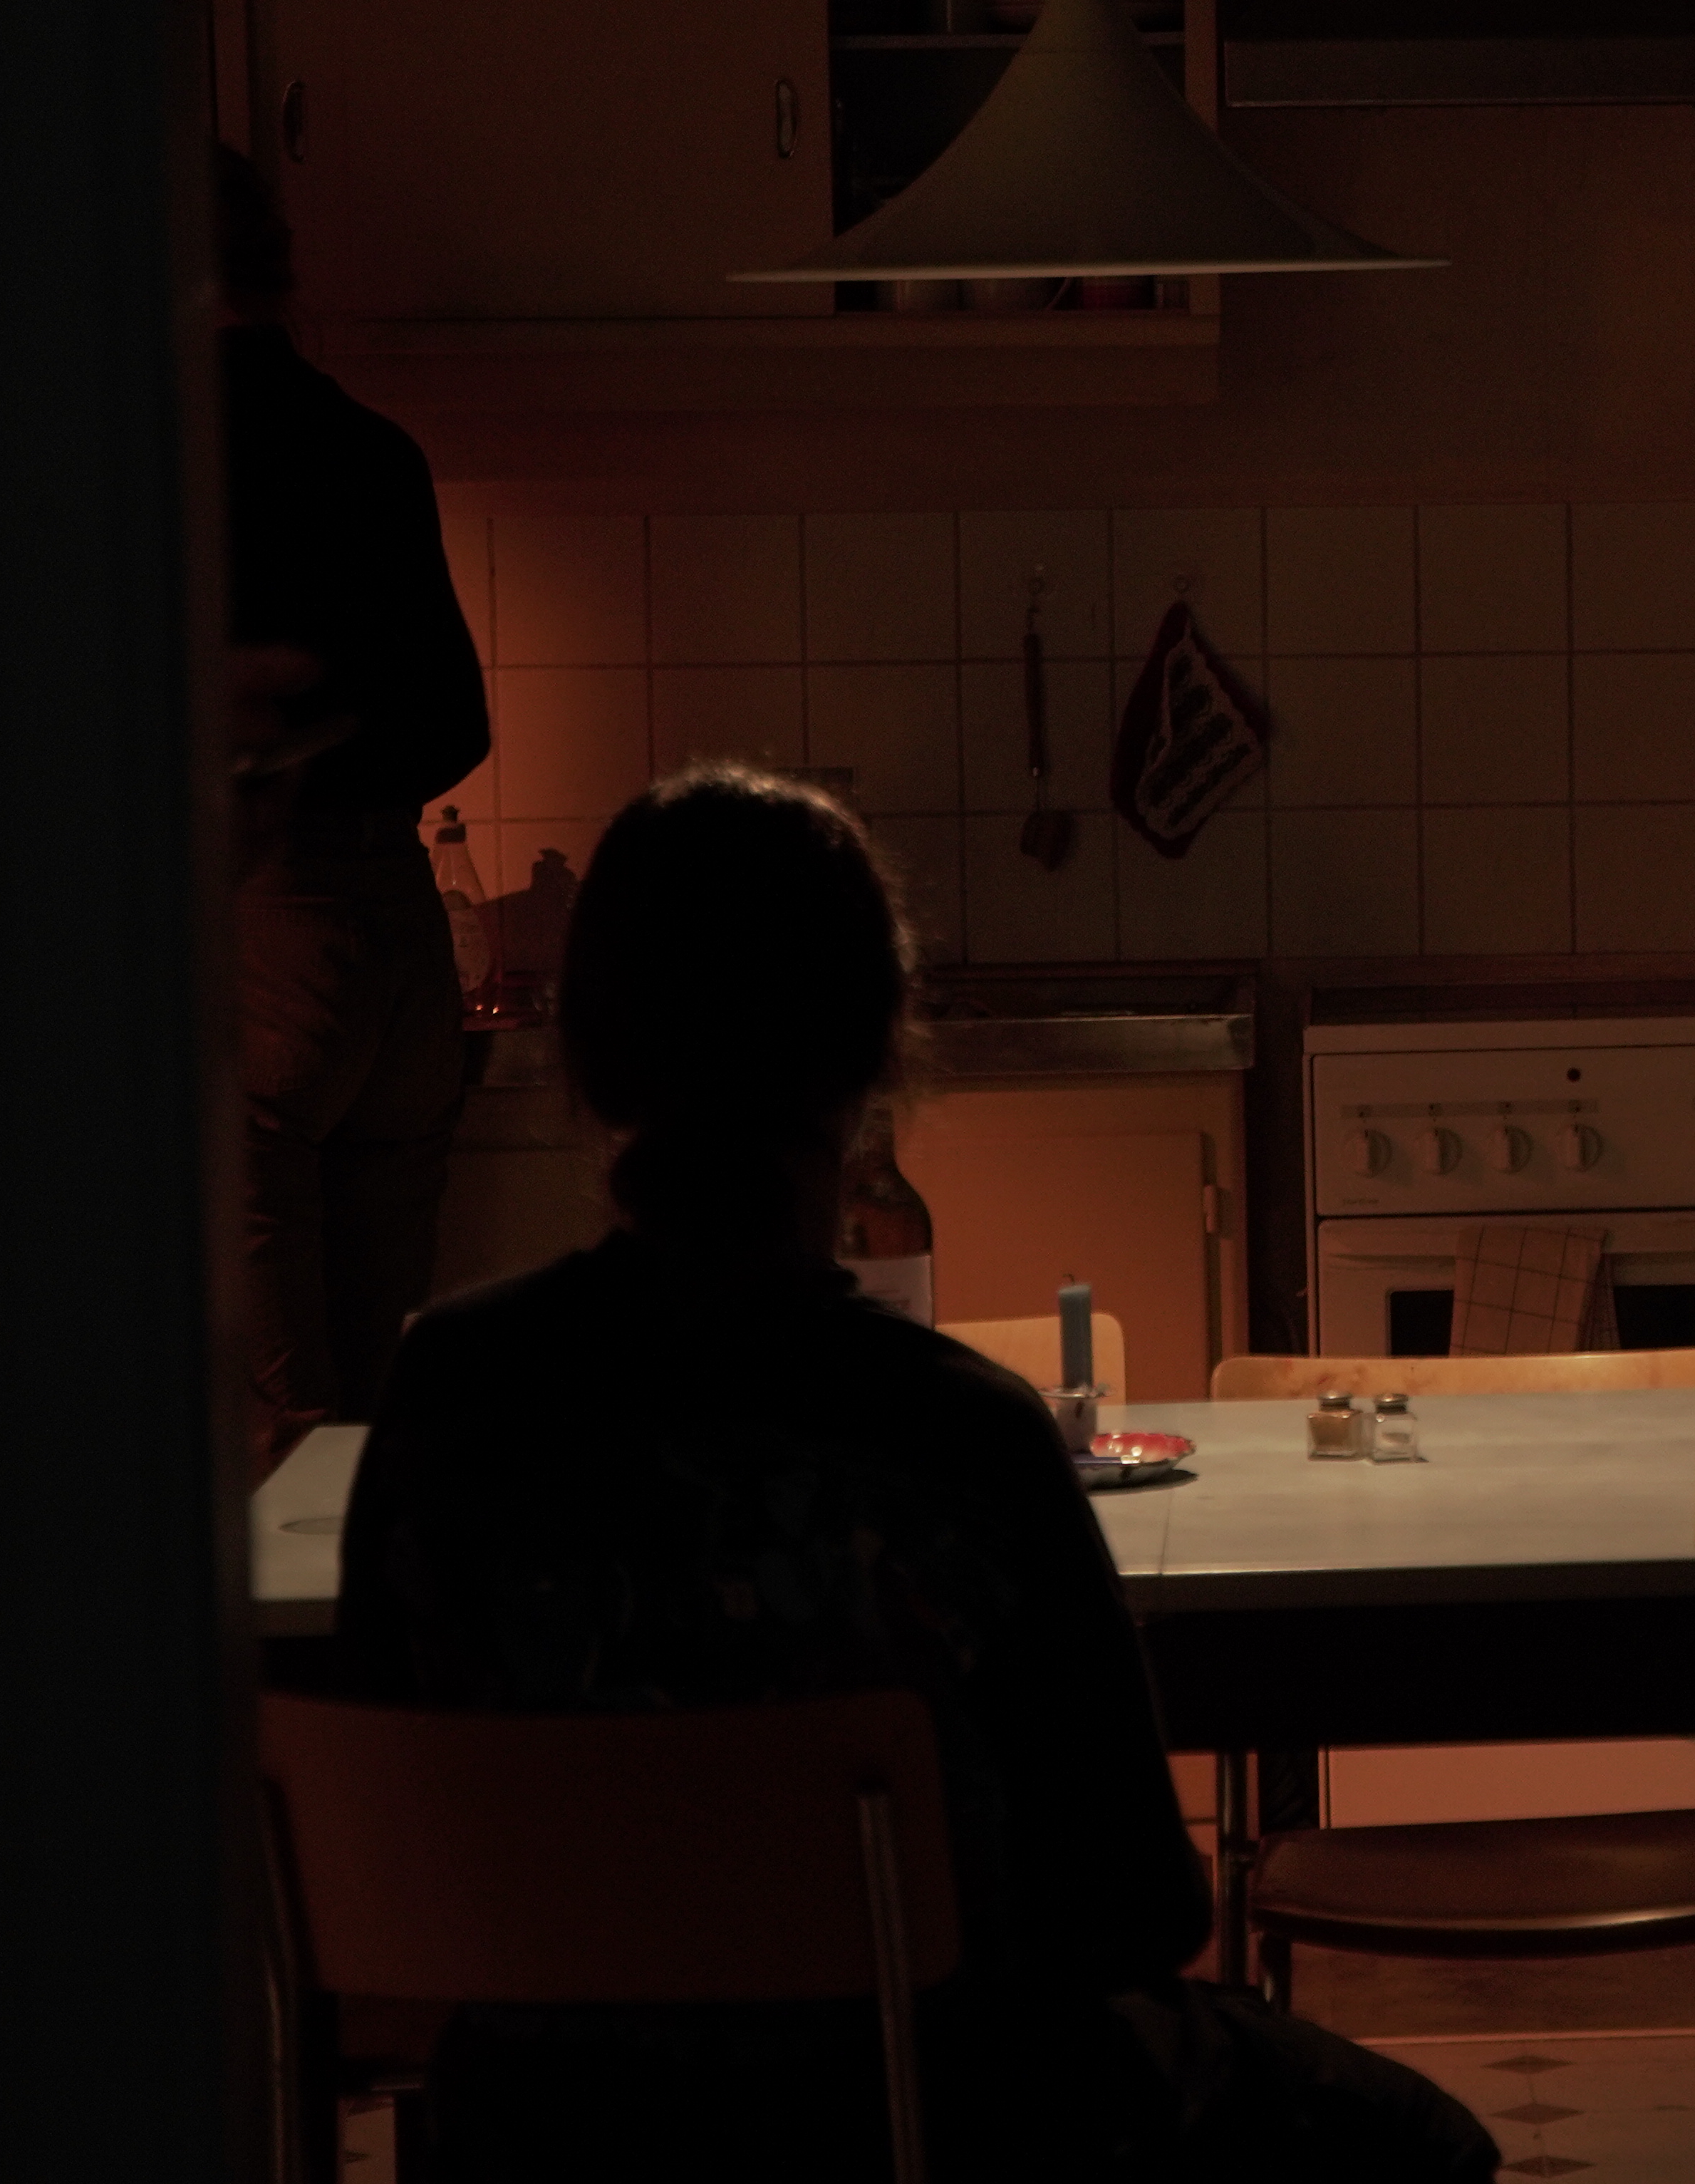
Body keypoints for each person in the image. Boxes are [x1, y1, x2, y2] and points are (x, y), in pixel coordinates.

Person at [334, 767, 1496, 2184]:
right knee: (1419, 2147)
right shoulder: (955, 1433)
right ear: (878, 1057)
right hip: (928, 2121)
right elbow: (1138, 1909)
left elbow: (382, 1825)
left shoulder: (451, 1390)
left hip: (545, 2132)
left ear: (589, 1051)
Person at [222, 142, 489, 1471]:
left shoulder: (160, 453)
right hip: (398, 945)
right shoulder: (372, 450)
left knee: (280, 1428)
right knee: (384, 1421)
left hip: (271, 930)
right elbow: (459, 726)